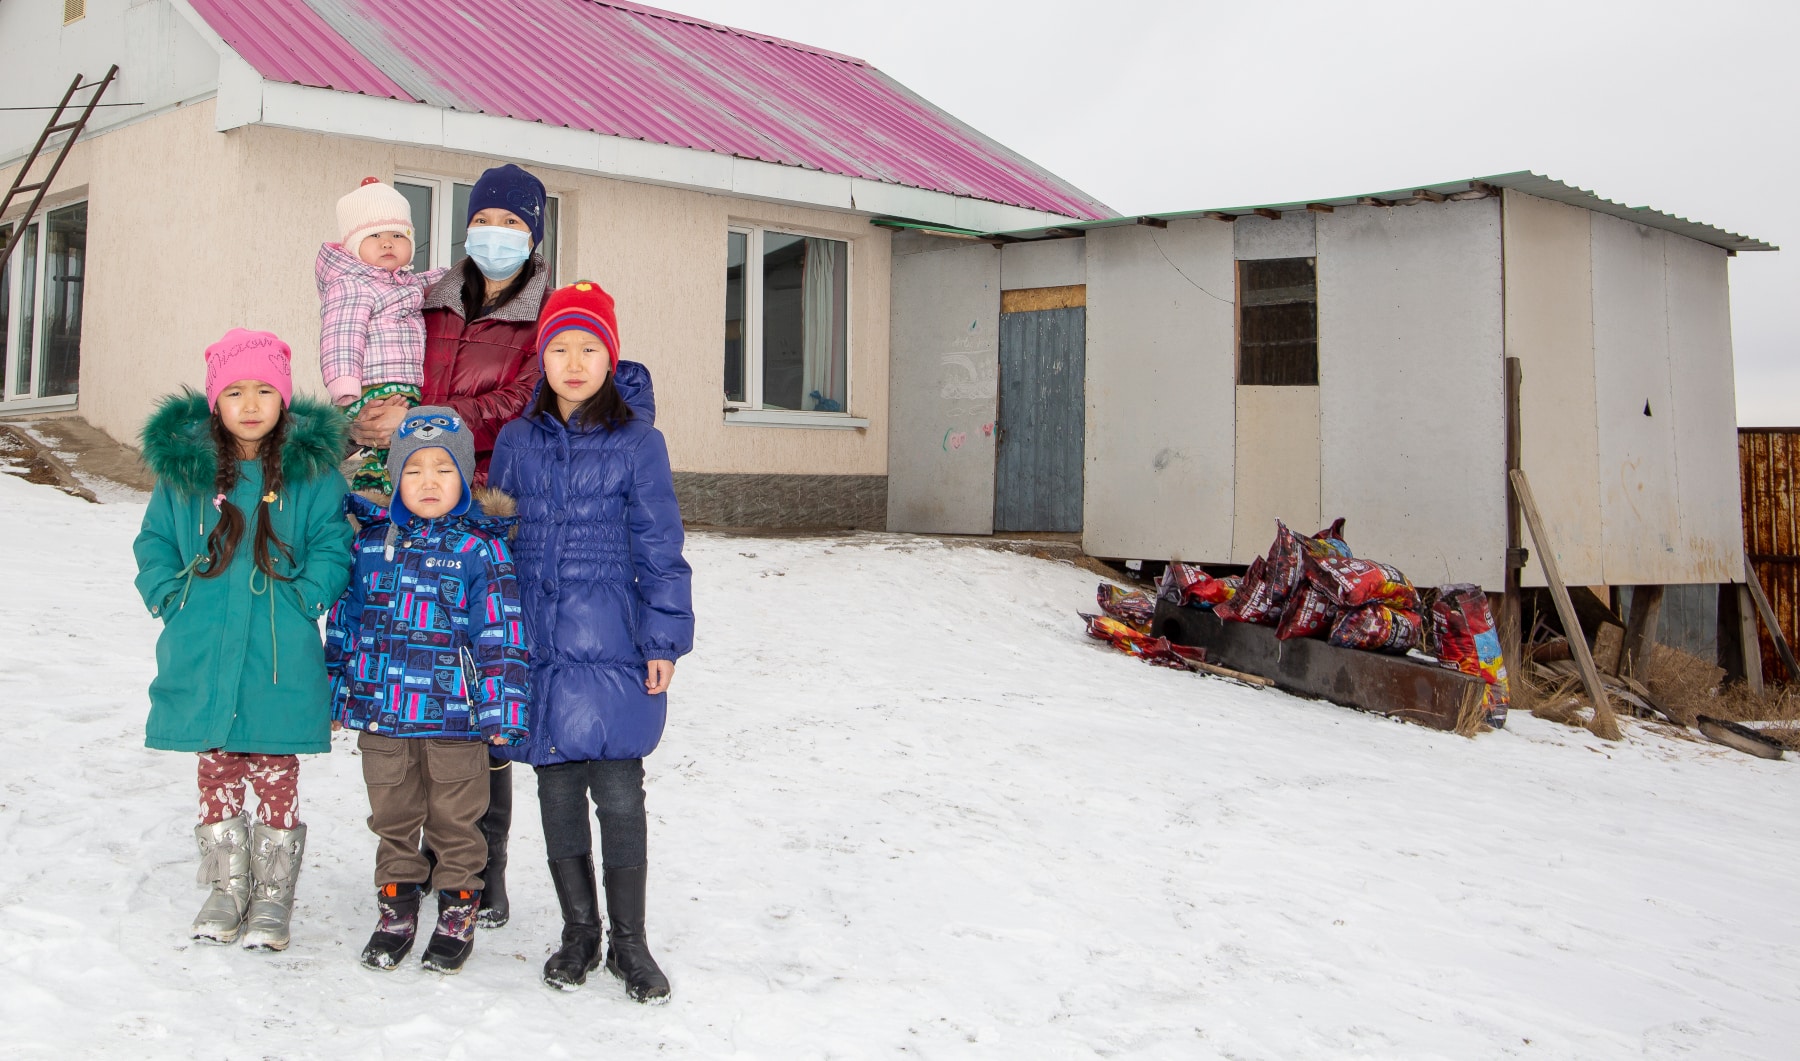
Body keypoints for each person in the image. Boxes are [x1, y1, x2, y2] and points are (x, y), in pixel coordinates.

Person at [348, 162, 552, 926]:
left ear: (534, 237)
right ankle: (419, 859)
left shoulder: (543, 316)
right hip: (408, 509)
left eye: (512, 225)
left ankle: (481, 865)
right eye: (486, 222)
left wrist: (424, 414)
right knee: (413, 678)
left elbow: (520, 400)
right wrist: (366, 418)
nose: (496, 237)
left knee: (474, 687)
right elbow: (380, 372)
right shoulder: (425, 298)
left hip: (488, 509)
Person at [490, 280, 693, 1001]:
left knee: (619, 792)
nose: (573, 361)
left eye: (589, 347)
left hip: (615, 643)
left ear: (611, 356)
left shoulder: (640, 442)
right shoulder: (516, 440)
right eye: (559, 347)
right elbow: (498, 538)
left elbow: (660, 547)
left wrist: (665, 638)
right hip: (538, 648)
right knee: (554, 791)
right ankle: (580, 932)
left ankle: (630, 943)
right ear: (541, 357)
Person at [133, 328, 353, 950]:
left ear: (283, 398)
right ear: (215, 403)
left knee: (275, 766)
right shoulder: (185, 475)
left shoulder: (311, 475)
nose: (250, 404)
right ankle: (227, 887)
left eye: (264, 390)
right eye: (235, 392)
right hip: (202, 645)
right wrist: (166, 593)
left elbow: (336, 543)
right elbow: (152, 541)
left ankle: (274, 896)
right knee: (217, 767)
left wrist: (307, 594)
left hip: (277, 651)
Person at [325, 407, 531, 974]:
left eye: (444, 470)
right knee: (392, 817)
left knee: (455, 822)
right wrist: (336, 688)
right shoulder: (369, 545)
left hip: (456, 721)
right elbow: (346, 620)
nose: (429, 482)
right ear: (395, 480)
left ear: (465, 479)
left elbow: (501, 634)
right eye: (414, 471)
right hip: (383, 717)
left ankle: (458, 910)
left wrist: (500, 709)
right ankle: (396, 910)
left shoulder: (481, 550)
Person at [316, 177, 446, 493]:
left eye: (397, 235)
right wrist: (346, 390)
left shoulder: (402, 284)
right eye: (374, 235)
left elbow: (430, 282)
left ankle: (378, 480)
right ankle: (377, 489)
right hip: (369, 387)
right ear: (353, 245)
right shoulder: (351, 285)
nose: (387, 243)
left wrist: (458, 274)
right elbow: (341, 335)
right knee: (390, 441)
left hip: (402, 386)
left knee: (400, 446)